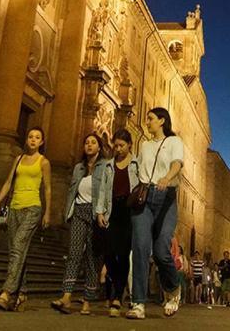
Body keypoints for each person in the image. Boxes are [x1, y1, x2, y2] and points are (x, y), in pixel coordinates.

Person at [126, 108, 186, 320]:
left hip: (166, 197)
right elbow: (138, 170)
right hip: (144, 198)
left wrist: (167, 178)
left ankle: (173, 288)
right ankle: (138, 303)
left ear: (162, 121)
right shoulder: (144, 145)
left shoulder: (174, 142)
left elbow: (177, 163)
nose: (147, 122)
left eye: (150, 118)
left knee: (161, 251)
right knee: (140, 248)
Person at [0, 127, 52, 311]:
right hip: (14, 208)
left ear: (42, 142)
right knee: (17, 251)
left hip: (32, 208)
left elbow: (47, 188)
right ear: (27, 140)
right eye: (30, 137)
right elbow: (9, 182)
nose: (33, 140)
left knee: (18, 247)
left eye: (37, 138)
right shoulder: (18, 159)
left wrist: (48, 212)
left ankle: (6, 293)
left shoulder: (44, 162)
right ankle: (23, 292)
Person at [52, 132, 113, 315]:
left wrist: (104, 213)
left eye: (93, 142)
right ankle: (67, 297)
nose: (89, 145)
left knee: (92, 258)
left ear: (99, 147)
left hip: (96, 214)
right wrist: (67, 212)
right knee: (74, 253)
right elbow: (72, 191)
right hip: (79, 211)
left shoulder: (105, 167)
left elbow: (106, 191)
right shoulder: (79, 168)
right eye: (86, 142)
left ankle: (87, 300)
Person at [102, 129, 137, 318]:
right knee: (108, 253)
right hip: (111, 209)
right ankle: (117, 287)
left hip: (129, 210)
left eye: (121, 145)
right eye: (115, 145)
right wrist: (100, 210)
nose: (118, 149)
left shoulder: (136, 164)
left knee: (123, 255)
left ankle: (116, 296)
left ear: (130, 145)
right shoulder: (109, 165)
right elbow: (103, 189)